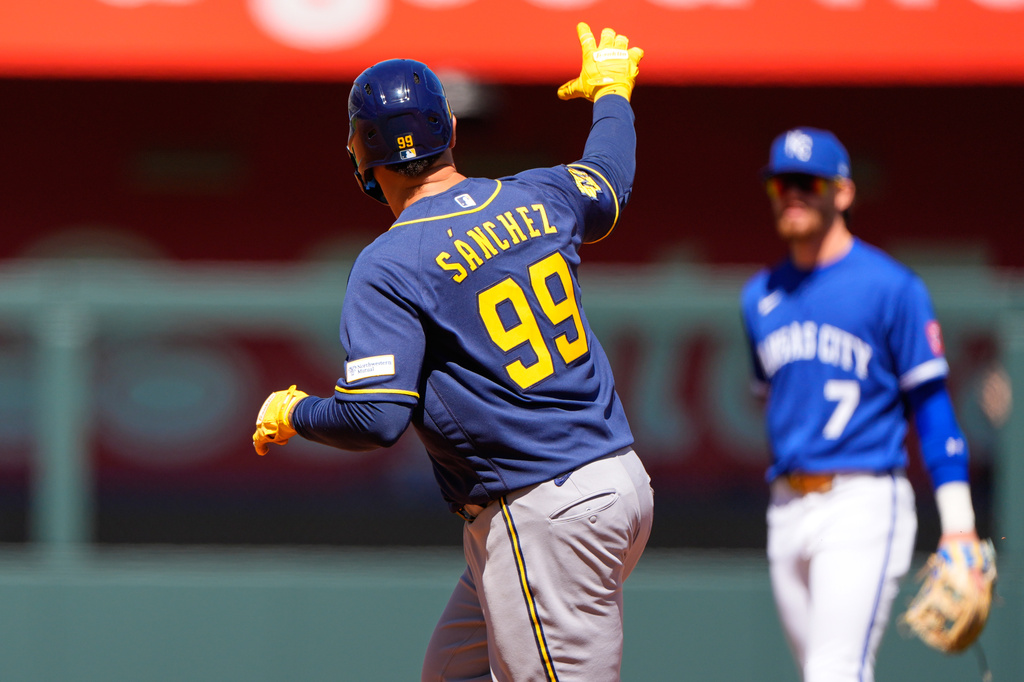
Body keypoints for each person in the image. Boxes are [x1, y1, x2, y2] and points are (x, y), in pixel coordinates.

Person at [252, 23, 653, 682]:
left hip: (543, 508)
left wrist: (295, 411)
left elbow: (375, 419)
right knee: (453, 673)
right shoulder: (535, 194)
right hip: (617, 483)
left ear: (362, 154)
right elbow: (608, 179)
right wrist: (612, 94)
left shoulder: (391, 261)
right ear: (451, 132)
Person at [739, 127, 990, 682]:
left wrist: (959, 525)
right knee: (828, 671)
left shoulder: (892, 287)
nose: (792, 195)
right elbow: (773, 402)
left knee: (834, 671)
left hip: (862, 499)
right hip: (786, 505)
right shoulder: (759, 296)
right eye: (781, 184)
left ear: (844, 193)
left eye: (808, 183)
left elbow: (932, 406)